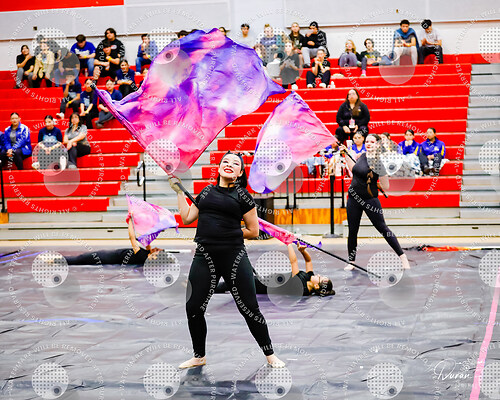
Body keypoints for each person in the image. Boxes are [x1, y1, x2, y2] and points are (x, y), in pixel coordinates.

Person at [169, 151, 285, 369]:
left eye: (235, 163)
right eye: (225, 161)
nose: (229, 164)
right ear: (219, 167)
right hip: (204, 256)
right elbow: (187, 218)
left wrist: (229, 232)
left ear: (240, 173)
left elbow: (253, 231)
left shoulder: (243, 197)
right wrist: (179, 193)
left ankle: (270, 355)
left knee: (249, 309)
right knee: (193, 307)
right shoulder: (206, 192)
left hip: (234, 256)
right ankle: (199, 356)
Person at [341, 134, 410, 270]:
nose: (368, 144)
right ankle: (351, 261)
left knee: (383, 228)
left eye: (372, 142)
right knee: (352, 230)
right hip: (353, 198)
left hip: (370, 199)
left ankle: (403, 257)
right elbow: (354, 170)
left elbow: (386, 186)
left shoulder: (380, 163)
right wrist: (346, 155)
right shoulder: (362, 156)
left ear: (378, 144)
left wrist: (375, 181)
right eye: (367, 141)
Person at [217, 243, 334, 296]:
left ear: (317, 286)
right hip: (269, 279)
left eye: (320, 277)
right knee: (236, 280)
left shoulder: (302, 286)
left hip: (264, 286)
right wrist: (302, 251)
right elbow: (308, 261)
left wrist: (288, 243)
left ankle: (212, 287)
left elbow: (293, 262)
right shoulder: (309, 278)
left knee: (233, 283)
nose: (318, 275)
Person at [66, 219, 162, 265]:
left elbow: (132, 238)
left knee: (80, 259)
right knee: (80, 258)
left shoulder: (142, 256)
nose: (156, 248)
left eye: (157, 250)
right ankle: (60, 260)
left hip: (106, 257)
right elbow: (147, 242)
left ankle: (58, 260)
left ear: (155, 257)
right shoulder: (147, 253)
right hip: (109, 255)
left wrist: (130, 222)